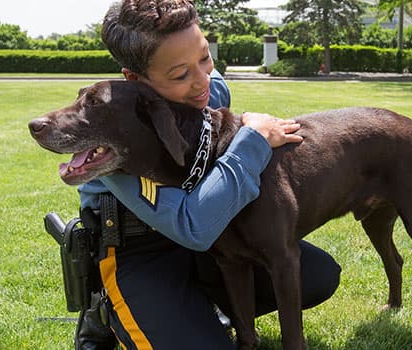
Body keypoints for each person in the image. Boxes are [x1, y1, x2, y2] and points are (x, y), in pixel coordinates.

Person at [72, 0, 341, 349]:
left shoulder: (212, 89)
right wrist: (253, 140)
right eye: (180, 74)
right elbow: (192, 226)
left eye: (204, 59)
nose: (202, 83)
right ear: (136, 80)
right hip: (139, 251)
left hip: (211, 240)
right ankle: (107, 313)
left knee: (316, 276)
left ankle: (199, 307)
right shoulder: (118, 137)